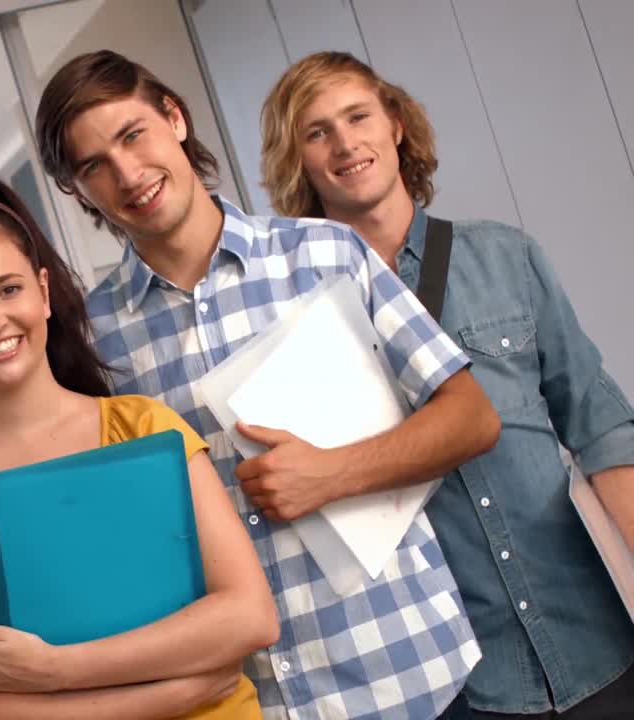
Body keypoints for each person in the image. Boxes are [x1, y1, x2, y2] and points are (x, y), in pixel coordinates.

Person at [36, 49, 503, 719]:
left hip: (408, 676)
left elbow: (471, 418)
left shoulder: (325, 253)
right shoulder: (94, 342)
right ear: (76, 191)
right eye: (94, 166)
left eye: (133, 135)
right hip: (250, 699)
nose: (128, 174)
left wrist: (332, 474)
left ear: (175, 118)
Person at [258, 50, 634, 719]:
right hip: (453, 679)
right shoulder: (301, 317)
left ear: (395, 124)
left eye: (358, 117)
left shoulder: (505, 255)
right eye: (317, 132)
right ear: (299, 161)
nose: (345, 143)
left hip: (593, 641)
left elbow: (600, 426)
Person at [0, 172, 279, 720]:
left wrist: (57, 669)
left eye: (8, 289)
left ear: (43, 292)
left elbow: (251, 617)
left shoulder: (146, 427)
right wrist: (173, 694)